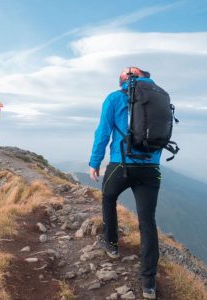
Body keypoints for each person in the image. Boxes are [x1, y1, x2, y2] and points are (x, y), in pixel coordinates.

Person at [89, 67, 161, 300]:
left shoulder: (114, 98)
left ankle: (111, 245)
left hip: (121, 164)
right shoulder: (159, 96)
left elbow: (103, 133)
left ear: (123, 80)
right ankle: (148, 284)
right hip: (151, 169)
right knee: (147, 222)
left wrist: (95, 162)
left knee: (108, 197)